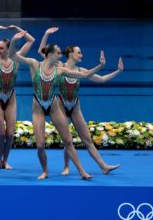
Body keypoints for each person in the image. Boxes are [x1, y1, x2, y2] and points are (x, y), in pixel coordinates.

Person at [10, 31, 104, 180]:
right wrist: (14, 41)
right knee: (40, 144)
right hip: (38, 108)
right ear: (51, 54)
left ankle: (82, 172)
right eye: (59, 53)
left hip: (53, 107)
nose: (61, 56)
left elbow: (85, 75)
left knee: (68, 141)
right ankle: (45, 171)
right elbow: (12, 55)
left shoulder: (60, 70)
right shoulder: (34, 65)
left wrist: (100, 65)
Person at [38, 28, 122, 175]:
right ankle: (66, 167)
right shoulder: (59, 66)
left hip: (75, 107)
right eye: (79, 52)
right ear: (71, 54)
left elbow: (101, 79)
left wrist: (117, 71)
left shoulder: (81, 70)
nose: (81, 54)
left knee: (87, 140)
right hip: (60, 106)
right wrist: (46, 35)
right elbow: (42, 52)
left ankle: (103, 166)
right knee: (67, 140)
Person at [0, 25, 35, 170]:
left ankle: (5, 161)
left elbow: (31, 41)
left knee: (10, 134)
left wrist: (18, 29)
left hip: (11, 100)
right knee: (1, 134)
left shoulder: (16, 59)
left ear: (8, 49)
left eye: (1, 48)